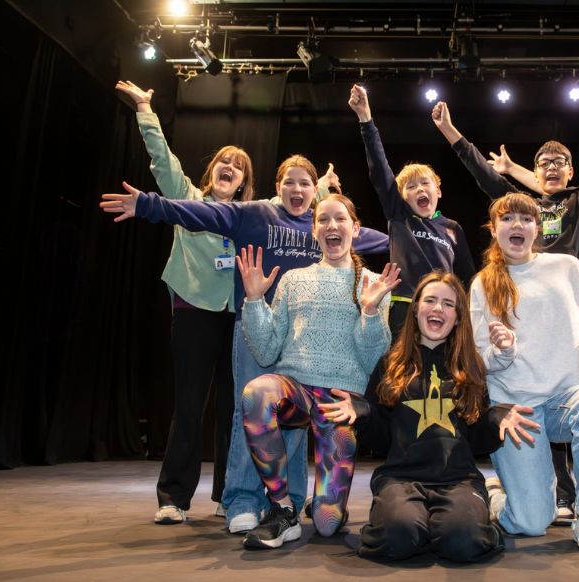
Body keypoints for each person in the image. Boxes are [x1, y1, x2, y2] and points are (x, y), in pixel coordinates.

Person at [100, 156, 388, 534]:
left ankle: (305, 502)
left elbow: (387, 237)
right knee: (249, 406)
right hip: (270, 338)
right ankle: (248, 501)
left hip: (322, 375)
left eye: (306, 184)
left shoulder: (341, 249)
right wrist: (149, 205)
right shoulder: (256, 216)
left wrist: (426, 232)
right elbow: (198, 214)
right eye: (289, 182)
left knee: (319, 498)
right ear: (277, 187)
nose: (297, 190)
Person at [433, 65, 579, 526]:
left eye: (559, 162)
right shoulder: (518, 212)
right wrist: (452, 133)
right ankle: (554, 496)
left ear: (570, 170)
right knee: (542, 408)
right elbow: (486, 179)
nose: (550, 168)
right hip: (525, 328)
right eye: (543, 162)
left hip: (578, 319)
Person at [319, 271, 538, 562]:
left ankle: (464, 517)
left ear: (458, 317)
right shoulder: (391, 365)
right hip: (400, 479)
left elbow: (475, 442)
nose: (438, 309)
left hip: (458, 480)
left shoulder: (470, 368)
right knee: (399, 535)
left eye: (448, 304)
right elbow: (383, 442)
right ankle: (422, 527)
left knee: (463, 541)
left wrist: (495, 418)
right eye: (430, 300)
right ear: (416, 310)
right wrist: (363, 415)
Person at [115, 80, 256, 525]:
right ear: (212, 170)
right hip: (194, 312)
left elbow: (298, 209)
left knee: (235, 409)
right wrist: (145, 110)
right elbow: (163, 160)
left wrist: (326, 190)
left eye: (238, 165)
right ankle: (174, 498)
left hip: (239, 319)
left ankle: (229, 495)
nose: (229, 166)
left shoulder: (250, 217)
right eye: (223, 162)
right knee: (191, 405)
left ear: (244, 183)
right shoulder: (187, 199)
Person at [469, 193, 579, 551]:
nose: (518, 225)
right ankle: (499, 495)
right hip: (517, 411)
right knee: (531, 524)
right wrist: (504, 350)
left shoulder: (566, 267)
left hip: (565, 398)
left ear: (536, 228)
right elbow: (478, 359)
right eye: (508, 218)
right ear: (494, 229)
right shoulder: (483, 283)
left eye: (526, 219)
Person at [235, 194, 396, 548]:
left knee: (326, 524)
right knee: (256, 392)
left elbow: (374, 361)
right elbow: (265, 350)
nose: (331, 226)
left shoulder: (371, 283)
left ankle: (326, 505)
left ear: (355, 228)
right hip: (296, 389)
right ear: (314, 230)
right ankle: (282, 510)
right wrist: (253, 300)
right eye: (323, 220)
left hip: (341, 400)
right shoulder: (293, 279)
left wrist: (369, 312)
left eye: (340, 219)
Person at [349, 84, 476, 336]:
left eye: (425, 183)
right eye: (411, 186)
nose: (419, 190)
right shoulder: (399, 216)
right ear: (401, 196)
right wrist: (366, 120)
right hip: (405, 306)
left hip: (443, 310)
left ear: (438, 191)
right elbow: (379, 169)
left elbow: (468, 278)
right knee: (403, 373)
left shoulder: (452, 229)